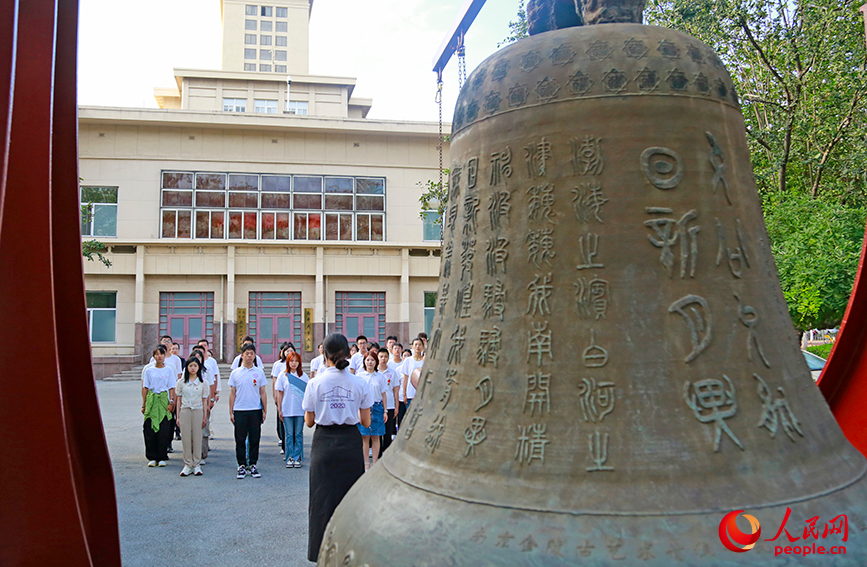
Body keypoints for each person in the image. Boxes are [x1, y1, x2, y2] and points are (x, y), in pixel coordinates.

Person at [303, 333, 372, 562]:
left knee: (322, 503)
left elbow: (310, 422)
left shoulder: (315, 383)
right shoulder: (359, 382)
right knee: (349, 502)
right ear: (349, 354)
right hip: (350, 444)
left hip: (324, 443)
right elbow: (366, 422)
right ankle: (349, 555)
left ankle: (321, 555)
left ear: (325, 355)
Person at [229, 344, 267, 479]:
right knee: (240, 439)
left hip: (255, 409)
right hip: (240, 410)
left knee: (254, 439)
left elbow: (263, 392)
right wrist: (231, 411)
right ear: (242, 356)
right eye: (247, 353)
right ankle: (241, 465)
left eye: (251, 353)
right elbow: (232, 393)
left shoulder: (259, 372)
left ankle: (253, 464)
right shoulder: (236, 373)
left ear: (255, 355)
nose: (249, 356)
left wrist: (264, 410)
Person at [141, 346, 176, 467]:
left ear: (165, 356)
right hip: (152, 400)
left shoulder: (169, 370)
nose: (159, 356)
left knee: (163, 429)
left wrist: (171, 402)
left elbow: (172, 387)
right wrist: (144, 404)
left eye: (161, 354)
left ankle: (161, 456)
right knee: (149, 429)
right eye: (156, 354)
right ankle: (152, 456)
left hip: (163, 400)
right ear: (153, 356)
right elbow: (145, 387)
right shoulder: (149, 370)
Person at [175, 358, 209, 476]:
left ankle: (197, 464)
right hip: (185, 410)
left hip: (198, 410)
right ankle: (187, 464)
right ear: (187, 367)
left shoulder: (203, 383)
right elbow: (178, 400)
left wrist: (205, 416)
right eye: (190, 366)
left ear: (199, 367)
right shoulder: (181, 382)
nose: (193, 368)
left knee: (197, 437)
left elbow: (205, 401)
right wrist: (178, 416)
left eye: (195, 365)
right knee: (186, 437)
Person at [276, 350, 309, 468]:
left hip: (300, 410)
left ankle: (297, 457)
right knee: (289, 434)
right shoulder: (282, 376)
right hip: (287, 409)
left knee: (298, 433)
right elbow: (279, 393)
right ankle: (290, 457)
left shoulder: (303, 376)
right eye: (291, 361)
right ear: (288, 362)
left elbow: (307, 394)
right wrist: (280, 409)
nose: (294, 363)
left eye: (296, 361)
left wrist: (307, 410)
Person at [356, 351, 388, 470]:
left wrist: (385, 410)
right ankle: (366, 463)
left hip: (377, 407)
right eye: (368, 360)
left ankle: (375, 462)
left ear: (376, 362)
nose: (370, 362)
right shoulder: (360, 376)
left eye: (372, 360)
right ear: (364, 361)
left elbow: (383, 394)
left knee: (376, 436)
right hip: (364, 407)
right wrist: (358, 411)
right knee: (365, 437)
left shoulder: (380, 376)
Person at [378, 348, 400, 453]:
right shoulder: (375, 372)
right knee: (378, 430)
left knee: (388, 431)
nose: (383, 359)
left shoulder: (392, 372)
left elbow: (396, 390)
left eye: (385, 356)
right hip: (378, 405)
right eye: (381, 356)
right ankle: (377, 452)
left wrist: (396, 406)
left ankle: (386, 452)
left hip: (390, 404)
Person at [271, 342, 291, 454]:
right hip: (281, 395)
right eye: (287, 351)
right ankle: (282, 439)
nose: (289, 353)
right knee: (281, 418)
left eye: (291, 351)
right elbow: (275, 380)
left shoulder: (296, 364)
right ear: (282, 353)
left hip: (292, 397)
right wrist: (275, 394)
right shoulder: (278, 365)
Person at [399, 339, 424, 423]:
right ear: (412, 346)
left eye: (420, 344)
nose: (417, 347)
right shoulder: (408, 360)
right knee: (410, 418)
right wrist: (404, 394)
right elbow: (405, 377)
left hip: (421, 395)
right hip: (410, 394)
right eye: (415, 344)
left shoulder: (425, 362)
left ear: (423, 347)